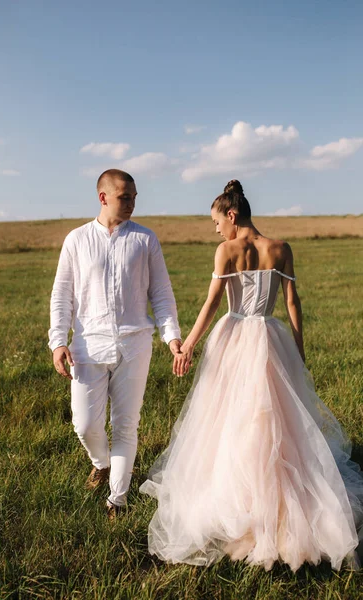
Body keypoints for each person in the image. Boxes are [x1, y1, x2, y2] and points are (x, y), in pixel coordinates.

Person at [140, 180, 363, 571]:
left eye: (216, 221)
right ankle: (276, 492)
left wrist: (189, 344)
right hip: (269, 334)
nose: (215, 229)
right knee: (274, 418)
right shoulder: (281, 249)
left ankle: (241, 502)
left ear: (231, 215)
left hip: (235, 336)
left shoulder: (227, 250)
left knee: (230, 417)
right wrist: (298, 350)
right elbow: (293, 302)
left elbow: (212, 304)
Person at [49, 169, 181, 519]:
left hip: (135, 344)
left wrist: (172, 337)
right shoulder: (76, 240)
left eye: (135, 196)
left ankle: (117, 500)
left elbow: (162, 293)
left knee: (126, 424)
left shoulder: (145, 239)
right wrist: (58, 341)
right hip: (87, 346)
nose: (132, 203)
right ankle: (101, 463)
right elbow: (62, 294)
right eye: (125, 197)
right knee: (85, 425)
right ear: (103, 197)